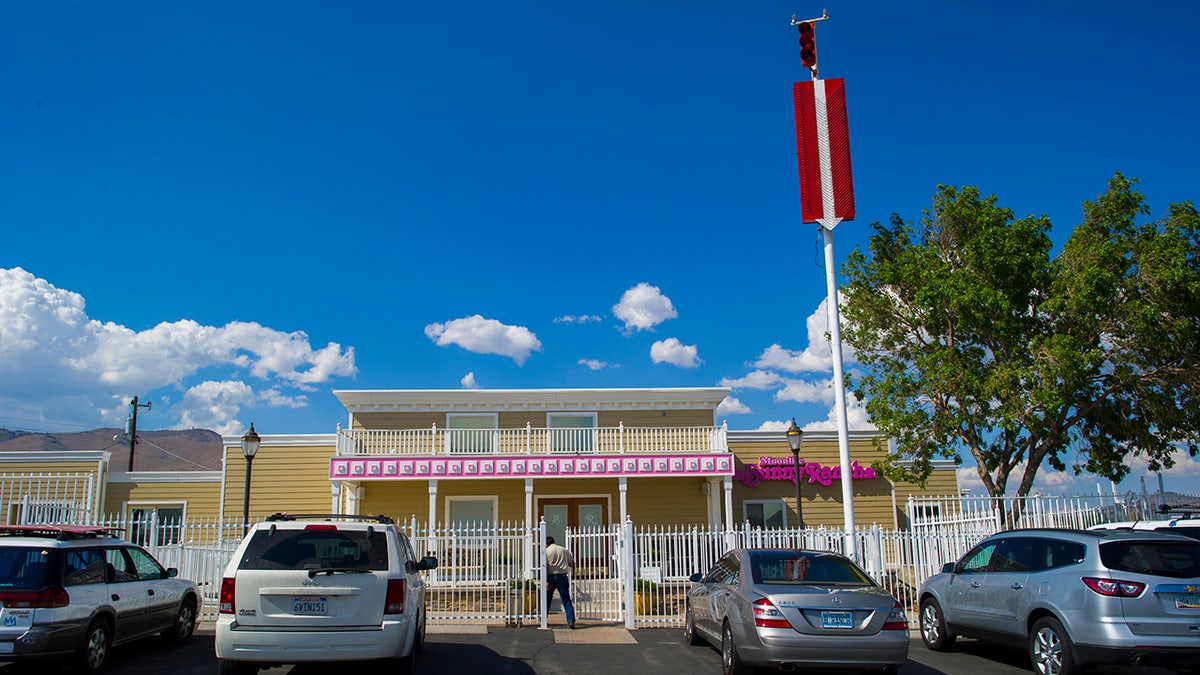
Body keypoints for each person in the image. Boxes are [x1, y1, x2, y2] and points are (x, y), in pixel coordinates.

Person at [545, 536, 576, 628]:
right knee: (566, 599)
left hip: (551, 576)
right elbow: (571, 563)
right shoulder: (563, 549)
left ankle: (544, 619)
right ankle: (570, 620)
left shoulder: (546, 551)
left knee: (547, 599)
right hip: (562, 576)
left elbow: (545, 566)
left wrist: (546, 581)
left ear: (547, 544)